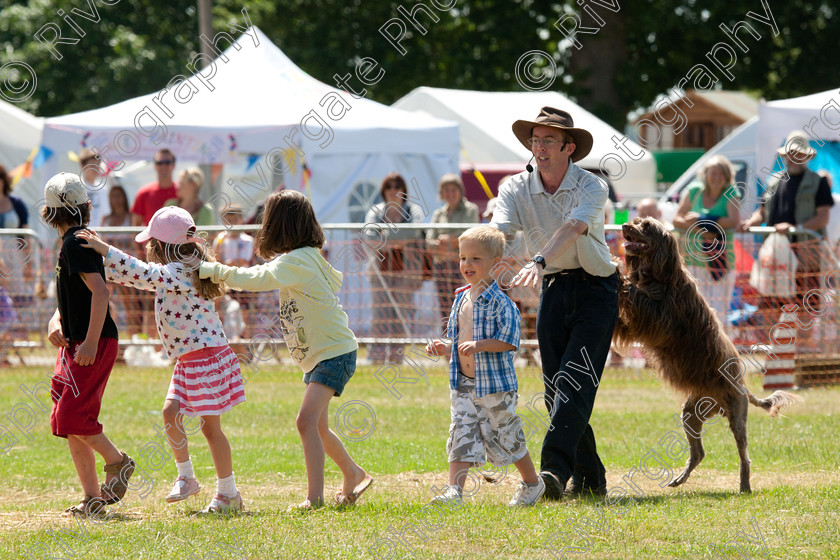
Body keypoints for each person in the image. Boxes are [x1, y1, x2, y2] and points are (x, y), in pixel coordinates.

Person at [198, 190, 372, 510]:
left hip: (333, 353)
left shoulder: (299, 260)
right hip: (327, 353)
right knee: (317, 426)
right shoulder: (303, 258)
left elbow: (258, 278)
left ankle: (314, 499)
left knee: (305, 422)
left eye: (267, 220)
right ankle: (354, 474)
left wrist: (215, 271)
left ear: (280, 225)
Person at [76, 206, 246, 513]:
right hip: (190, 360)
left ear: (163, 246)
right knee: (171, 414)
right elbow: (137, 277)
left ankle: (228, 493)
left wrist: (104, 250)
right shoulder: (179, 271)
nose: (149, 249)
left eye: (152, 243)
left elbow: (143, 274)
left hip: (206, 359)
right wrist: (96, 263)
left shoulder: (181, 271)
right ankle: (187, 477)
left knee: (210, 429)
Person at [492, 106, 618, 499]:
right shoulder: (514, 188)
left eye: (548, 140)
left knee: (574, 382)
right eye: (534, 140)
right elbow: (499, 231)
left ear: (569, 147)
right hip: (554, 288)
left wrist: (537, 260)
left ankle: (551, 473)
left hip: (598, 290)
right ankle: (592, 477)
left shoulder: (592, 186)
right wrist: (476, 260)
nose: (539, 147)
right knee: (553, 390)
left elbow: (572, 227)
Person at [426, 225, 545, 506]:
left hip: (494, 386)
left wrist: (480, 345)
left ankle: (532, 482)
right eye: (463, 258)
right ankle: (455, 492)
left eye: (475, 259)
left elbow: (510, 340)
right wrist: (446, 348)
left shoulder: (502, 303)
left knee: (506, 434)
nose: (467, 264)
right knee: (461, 432)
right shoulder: (460, 297)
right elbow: (458, 339)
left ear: (496, 263)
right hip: (463, 383)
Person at [39, 172, 135, 516]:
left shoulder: (74, 243)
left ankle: (118, 461)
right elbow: (74, 295)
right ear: (86, 206)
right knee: (66, 421)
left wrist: (91, 341)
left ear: (48, 212)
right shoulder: (76, 240)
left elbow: (101, 292)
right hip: (78, 341)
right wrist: (56, 319)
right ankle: (92, 498)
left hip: (91, 342)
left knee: (70, 416)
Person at [740, 130, 834, 342]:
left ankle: (801, 352)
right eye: (791, 153)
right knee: (769, 302)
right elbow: (762, 212)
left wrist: (795, 226)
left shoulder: (817, 182)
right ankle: (771, 353)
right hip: (773, 257)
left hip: (804, 257)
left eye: (800, 153)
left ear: (808, 156)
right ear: (785, 155)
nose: (795, 157)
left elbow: (822, 217)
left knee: (803, 305)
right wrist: (749, 223)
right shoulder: (773, 181)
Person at [364, 172, 426, 364]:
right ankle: (376, 357)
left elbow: (414, 232)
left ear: (403, 190)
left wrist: (385, 237)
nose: (393, 190)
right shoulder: (376, 210)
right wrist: (397, 240)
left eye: (397, 186)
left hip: (406, 271)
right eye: (389, 186)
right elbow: (369, 235)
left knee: (400, 315)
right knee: (380, 315)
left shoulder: (412, 210)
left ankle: (396, 358)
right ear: (383, 190)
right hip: (380, 271)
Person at [673, 155, 740, 327]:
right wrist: (703, 230)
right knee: (695, 310)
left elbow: (733, 221)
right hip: (693, 260)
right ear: (706, 174)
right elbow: (677, 219)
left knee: (719, 311)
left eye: (721, 174)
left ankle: (724, 352)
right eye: (713, 173)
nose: (717, 177)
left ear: (727, 176)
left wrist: (700, 218)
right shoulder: (694, 190)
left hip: (721, 262)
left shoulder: (731, 192)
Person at [426, 173, 479, 323]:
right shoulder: (438, 214)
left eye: (453, 189)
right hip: (441, 267)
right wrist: (451, 243)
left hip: (464, 267)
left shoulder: (471, 209)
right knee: (444, 307)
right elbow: (429, 241)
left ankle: (465, 340)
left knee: (464, 304)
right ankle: (448, 341)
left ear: (460, 190)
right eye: (446, 190)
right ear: (441, 193)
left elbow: (468, 235)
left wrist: (444, 242)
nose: (450, 193)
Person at [131, 149, 178, 226]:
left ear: (173, 165)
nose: (163, 166)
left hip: (178, 238)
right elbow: (135, 228)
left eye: (167, 162)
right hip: (151, 238)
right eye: (159, 163)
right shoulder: (144, 193)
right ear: (155, 166)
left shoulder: (182, 191)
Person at [78, 148, 108, 229]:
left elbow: (104, 216)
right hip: (79, 236)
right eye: (92, 166)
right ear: (82, 166)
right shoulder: (76, 188)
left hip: (97, 236)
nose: (95, 169)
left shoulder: (103, 189)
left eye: (97, 165)